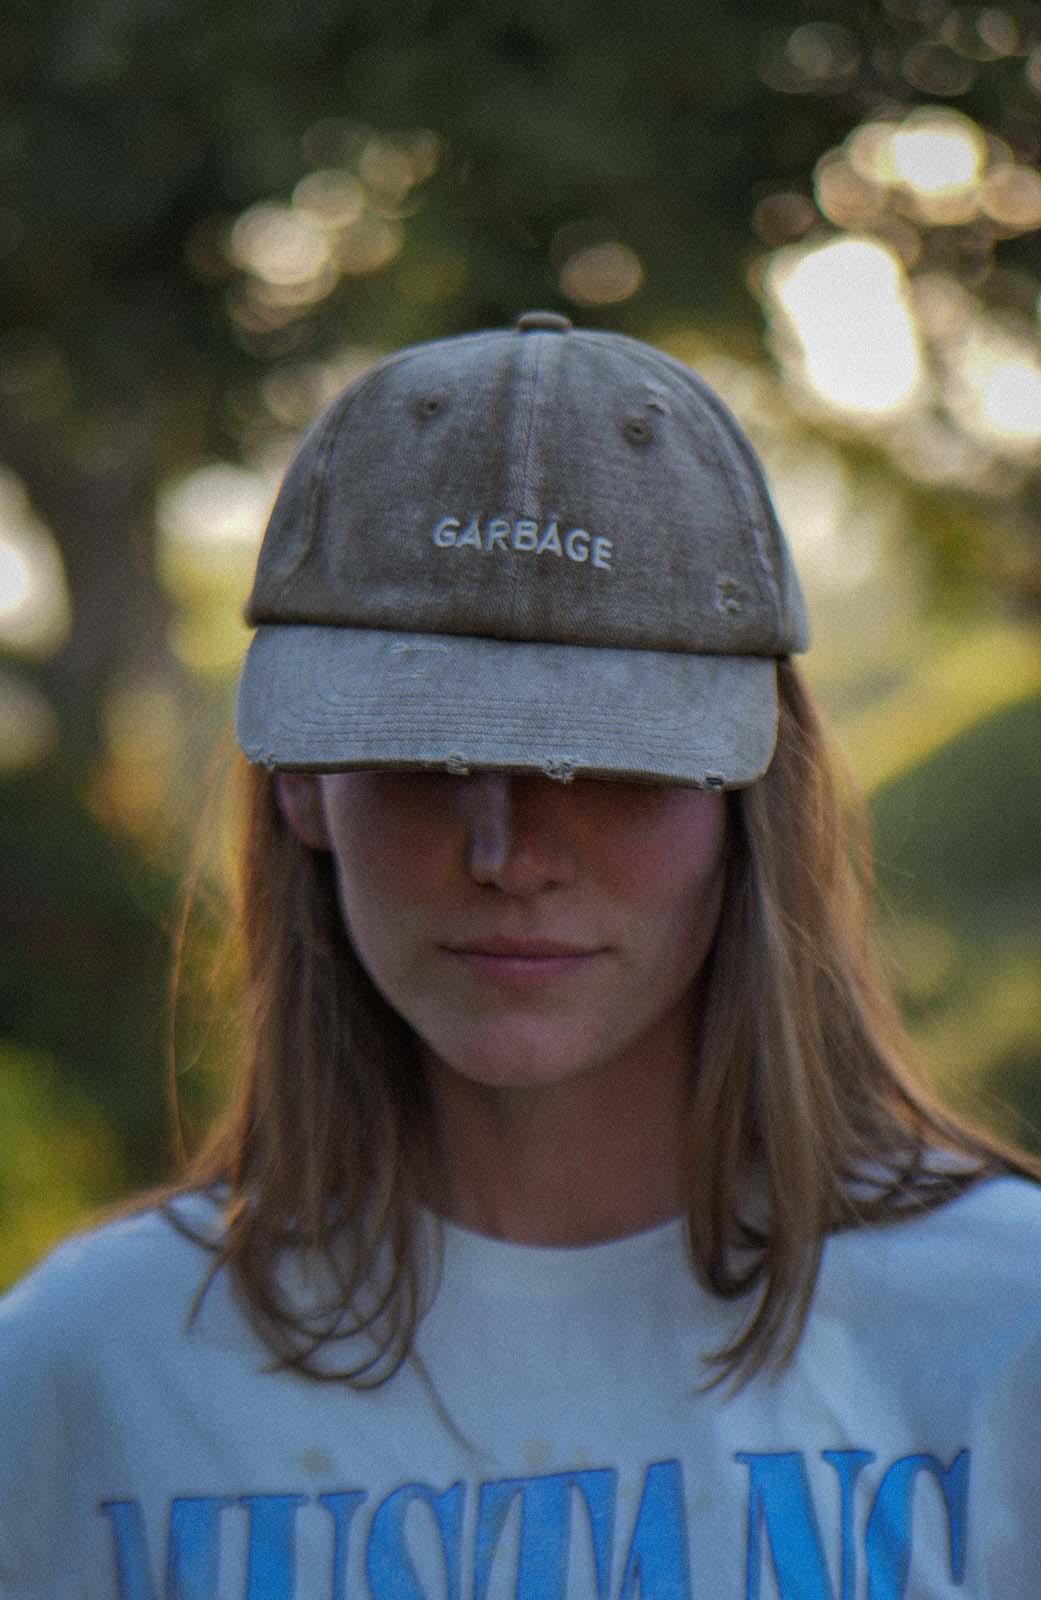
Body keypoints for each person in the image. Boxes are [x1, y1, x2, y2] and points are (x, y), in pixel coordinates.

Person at [1, 310, 1039, 1599]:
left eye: (604, 762)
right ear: (303, 788)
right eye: (425, 752)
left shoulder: (1009, 1334)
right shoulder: (85, 1377)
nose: (507, 849)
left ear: (749, 791)